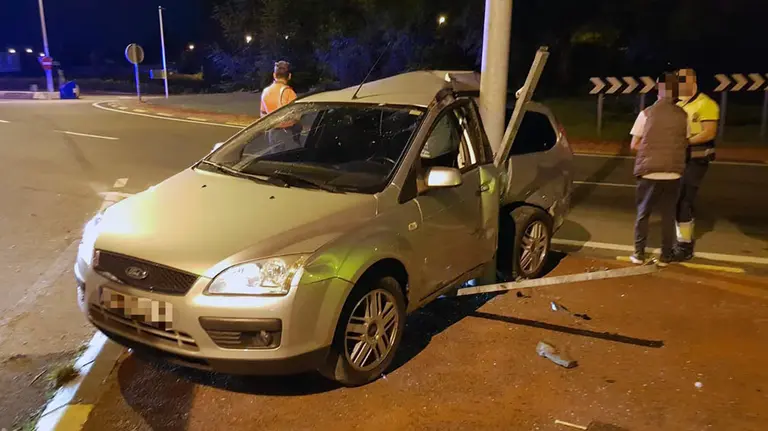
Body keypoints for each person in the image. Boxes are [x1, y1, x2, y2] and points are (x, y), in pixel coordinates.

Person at [628, 72, 690, 266]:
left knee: (643, 213)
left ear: (658, 90)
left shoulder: (646, 113)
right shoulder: (683, 115)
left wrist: (651, 150)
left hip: (649, 170)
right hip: (673, 172)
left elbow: (634, 144)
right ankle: (666, 255)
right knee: (668, 215)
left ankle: (639, 254)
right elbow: (685, 142)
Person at [674, 68, 720, 260]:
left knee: (683, 199)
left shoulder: (706, 104)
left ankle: (684, 246)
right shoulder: (678, 105)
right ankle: (681, 239)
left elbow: (709, 132)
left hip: (696, 158)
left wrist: (685, 142)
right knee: (676, 199)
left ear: (692, 82)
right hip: (679, 158)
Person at [260, 60, 300, 151]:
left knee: (276, 156)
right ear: (289, 76)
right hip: (288, 134)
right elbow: (296, 117)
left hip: (273, 133)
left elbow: (263, 115)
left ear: (274, 75)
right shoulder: (289, 92)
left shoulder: (265, 92)